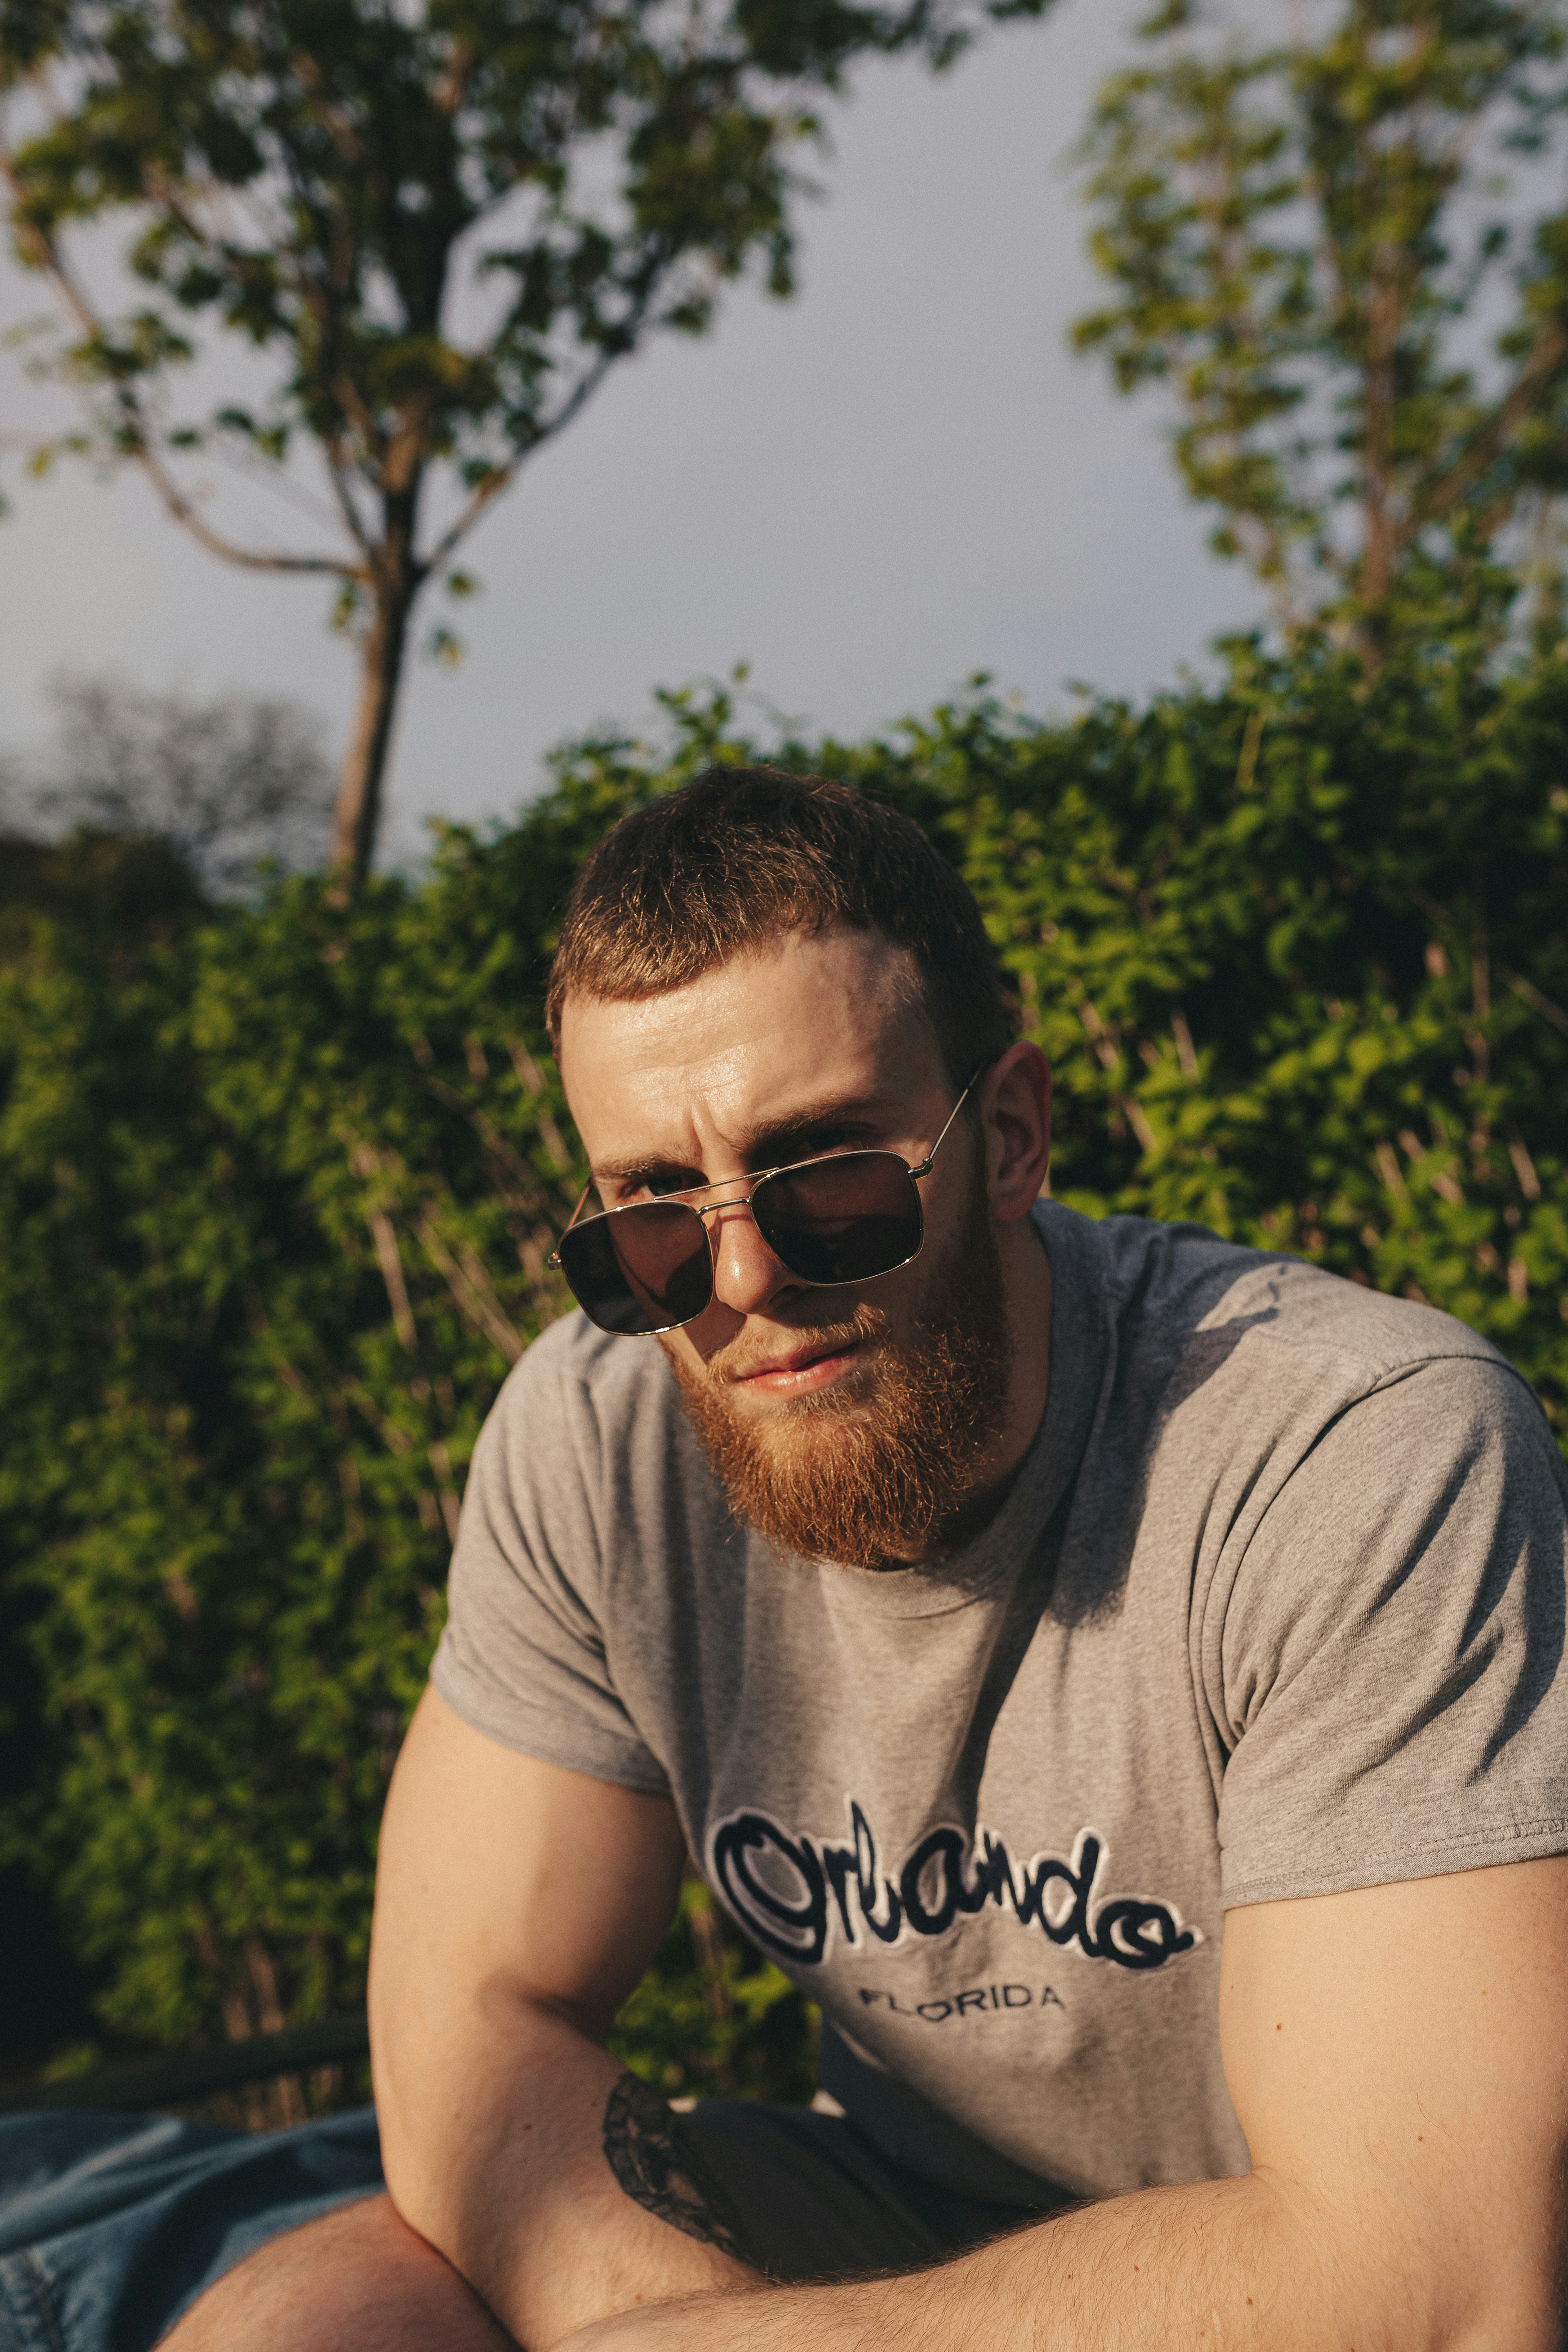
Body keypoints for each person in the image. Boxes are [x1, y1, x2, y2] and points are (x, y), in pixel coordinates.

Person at [4, 766, 1566, 2352]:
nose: (740, 1278)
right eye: (652, 1219)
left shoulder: (1355, 1451)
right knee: (319, 2317)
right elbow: (470, 2029)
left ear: (1012, 1136)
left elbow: (1438, 2280)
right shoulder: (596, 1436)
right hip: (882, 2211)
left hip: (1278, 2264)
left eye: (828, 1177)